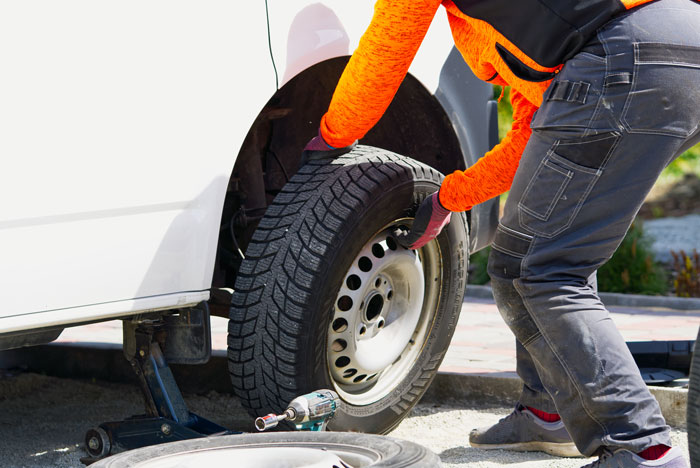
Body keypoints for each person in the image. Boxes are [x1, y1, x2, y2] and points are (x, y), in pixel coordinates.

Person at [304, 0, 700, 467]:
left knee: (539, 268)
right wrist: (449, 198)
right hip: (681, 47)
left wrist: (328, 141)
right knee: (545, 246)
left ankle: (640, 448)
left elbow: (385, 52)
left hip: (623, 60)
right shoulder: (531, 31)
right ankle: (549, 411)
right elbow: (531, 133)